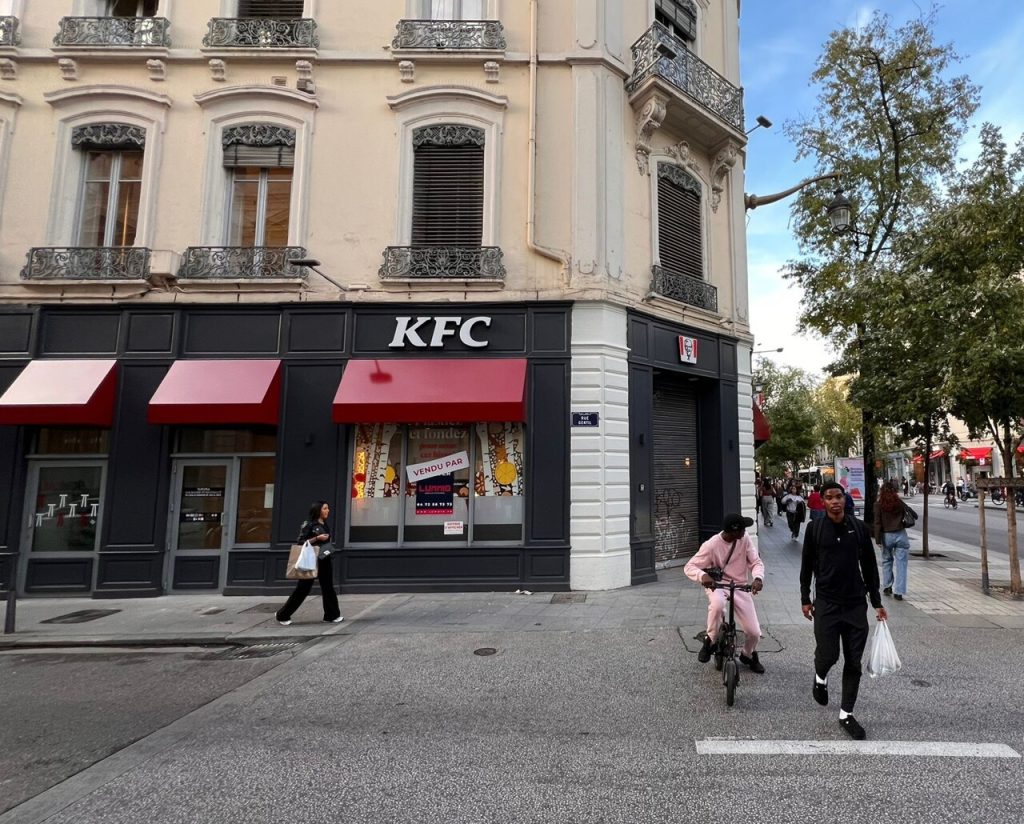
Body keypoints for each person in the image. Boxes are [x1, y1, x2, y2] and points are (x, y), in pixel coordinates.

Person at [800, 481, 888, 740]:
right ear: (823, 501)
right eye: (829, 497)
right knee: (828, 655)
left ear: (844, 499)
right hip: (826, 603)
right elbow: (806, 567)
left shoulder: (859, 529)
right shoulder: (815, 529)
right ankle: (820, 676)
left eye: (838, 496)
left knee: (853, 662)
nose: (835, 501)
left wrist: (877, 602)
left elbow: (870, 568)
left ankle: (846, 714)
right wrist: (805, 598)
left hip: (854, 605)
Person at [685, 513, 766, 674]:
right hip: (718, 585)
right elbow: (689, 566)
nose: (745, 532)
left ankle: (748, 655)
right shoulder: (712, 545)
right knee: (717, 606)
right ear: (732, 532)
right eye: (742, 529)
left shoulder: (744, 539)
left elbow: (755, 561)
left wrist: (758, 578)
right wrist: (703, 576)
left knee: (754, 632)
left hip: (740, 585)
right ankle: (711, 640)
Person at [276, 500, 343, 626]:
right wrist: (317, 538)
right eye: (325, 508)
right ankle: (282, 615)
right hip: (310, 560)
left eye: (327, 508)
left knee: (328, 587)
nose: (327, 510)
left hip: (324, 559)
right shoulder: (309, 525)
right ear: (318, 511)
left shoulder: (324, 523)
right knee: (303, 589)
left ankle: (331, 615)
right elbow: (301, 541)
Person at [874, 481, 916, 601]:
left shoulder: (878, 504)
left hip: (886, 535)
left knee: (887, 561)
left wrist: (877, 539)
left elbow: (877, 523)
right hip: (900, 534)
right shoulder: (899, 502)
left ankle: (887, 586)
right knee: (901, 564)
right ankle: (899, 591)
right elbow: (913, 514)